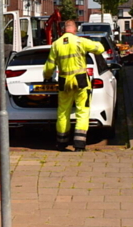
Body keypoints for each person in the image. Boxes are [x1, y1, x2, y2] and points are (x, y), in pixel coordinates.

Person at [42, 19, 106, 152]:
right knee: (82, 111)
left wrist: (47, 77)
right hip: (81, 80)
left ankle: (61, 143)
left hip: (64, 81)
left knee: (63, 112)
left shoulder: (56, 44)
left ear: (64, 29)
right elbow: (100, 48)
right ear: (75, 29)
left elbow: (49, 66)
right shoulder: (80, 41)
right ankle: (79, 145)